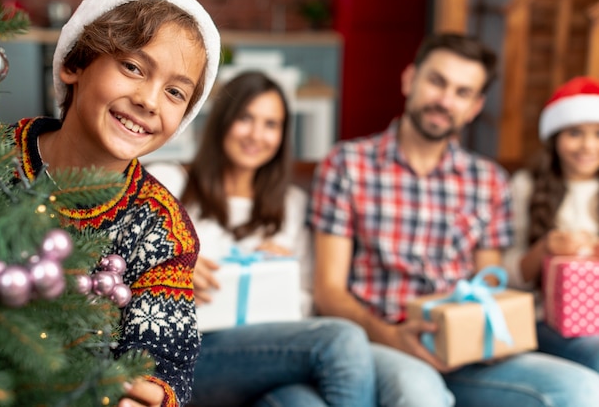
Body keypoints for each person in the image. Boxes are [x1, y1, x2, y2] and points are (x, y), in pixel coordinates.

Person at [307, 32, 599, 407]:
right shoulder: (346, 164)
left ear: (475, 107)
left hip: (465, 348)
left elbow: (488, 281)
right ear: (410, 79)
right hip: (383, 341)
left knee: (583, 390)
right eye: (436, 81)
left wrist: (489, 332)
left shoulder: (489, 181)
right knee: (422, 395)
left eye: (462, 93)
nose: (445, 101)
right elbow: (328, 291)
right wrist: (391, 336)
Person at [11, 0, 221, 406]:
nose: (148, 100)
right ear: (75, 62)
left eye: (175, 93)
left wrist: (150, 395)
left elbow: (164, 358)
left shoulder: (163, 228)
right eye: (132, 67)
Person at [147, 70, 375, 407]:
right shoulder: (171, 183)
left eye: (271, 125)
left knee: (303, 404)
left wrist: (277, 277)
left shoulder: (292, 206)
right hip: (189, 352)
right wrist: (175, 271)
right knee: (343, 339)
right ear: (223, 122)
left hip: (266, 355)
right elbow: (122, 263)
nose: (257, 134)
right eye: (246, 118)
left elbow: (306, 302)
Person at [502, 75, 599, 372]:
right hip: (544, 319)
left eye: (597, 134)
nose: (587, 146)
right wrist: (546, 247)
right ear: (554, 137)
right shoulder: (526, 186)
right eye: (574, 133)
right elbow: (505, 274)